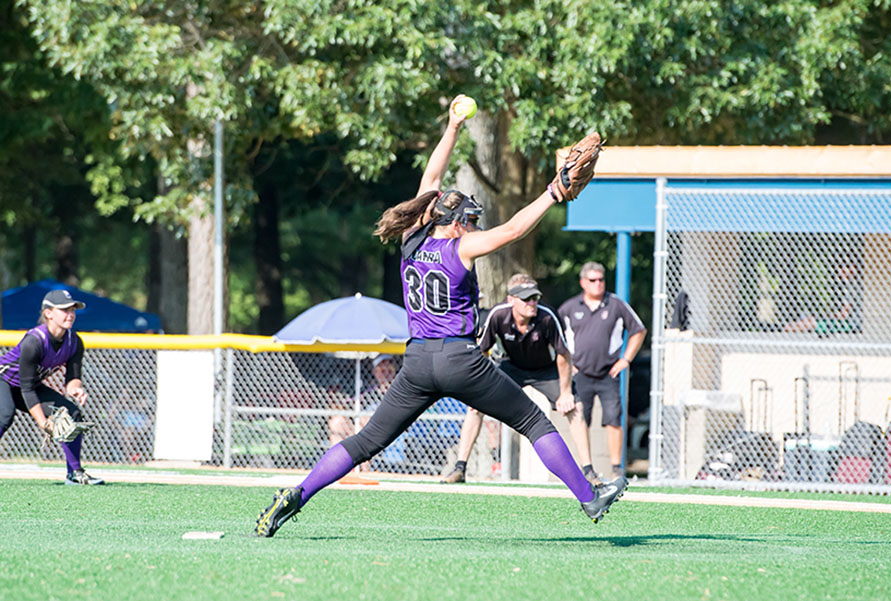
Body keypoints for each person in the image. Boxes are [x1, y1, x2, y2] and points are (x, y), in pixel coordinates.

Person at [253, 95, 624, 537]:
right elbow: (512, 230)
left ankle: (295, 496)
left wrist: (451, 128)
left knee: (365, 441)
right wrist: (552, 193)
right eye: (467, 217)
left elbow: (430, 178)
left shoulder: (412, 238)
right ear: (452, 222)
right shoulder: (459, 246)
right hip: (459, 359)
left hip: (417, 363)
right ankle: (589, 496)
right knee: (532, 421)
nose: (471, 224)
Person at [441, 273, 603, 485]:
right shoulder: (498, 315)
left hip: (545, 370)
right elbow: (480, 352)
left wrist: (565, 393)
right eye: (526, 298)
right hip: (511, 367)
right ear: (511, 300)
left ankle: (589, 471)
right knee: (475, 408)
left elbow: (563, 356)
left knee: (575, 407)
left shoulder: (547, 317)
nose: (532, 303)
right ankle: (460, 468)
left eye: (534, 298)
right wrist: (476, 388)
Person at [0, 289, 104, 485]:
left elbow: (73, 378)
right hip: (3, 380)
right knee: (5, 414)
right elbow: (27, 388)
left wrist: (76, 388)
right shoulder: (35, 341)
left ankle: (75, 473)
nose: (70, 314)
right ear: (48, 313)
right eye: (64, 310)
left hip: (28, 386)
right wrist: (44, 423)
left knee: (72, 413)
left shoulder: (74, 341)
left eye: (72, 310)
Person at [558, 262, 647, 479]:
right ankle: (586, 469)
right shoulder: (569, 308)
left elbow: (639, 330)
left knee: (614, 419)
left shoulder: (615, 304)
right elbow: (555, 337)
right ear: (582, 283)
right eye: (592, 280)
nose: (598, 284)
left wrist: (626, 359)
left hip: (609, 373)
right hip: (580, 374)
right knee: (580, 421)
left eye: (601, 280)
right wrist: (569, 365)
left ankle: (617, 469)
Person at [782, 262, 862, 335]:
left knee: (812, 323)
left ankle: (786, 329)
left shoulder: (852, 289)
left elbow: (843, 315)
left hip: (848, 324)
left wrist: (823, 317)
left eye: (846, 267)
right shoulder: (843, 286)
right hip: (838, 321)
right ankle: (786, 328)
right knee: (809, 320)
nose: (840, 269)